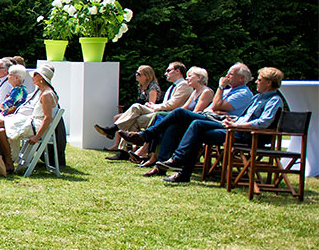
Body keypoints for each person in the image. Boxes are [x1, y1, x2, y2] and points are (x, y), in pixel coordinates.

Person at [147, 67, 286, 184]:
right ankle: (181, 170)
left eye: (260, 80)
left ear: (268, 83)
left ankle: (176, 161)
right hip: (234, 128)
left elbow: (263, 122)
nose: (256, 81)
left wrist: (238, 126)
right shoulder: (257, 98)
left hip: (247, 135)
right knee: (194, 126)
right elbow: (241, 116)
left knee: (189, 121)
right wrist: (233, 121)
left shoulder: (274, 100)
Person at [98, 62, 190, 159]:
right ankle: (123, 152)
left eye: (168, 70)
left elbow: (173, 104)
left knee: (136, 107)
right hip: (160, 112)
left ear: (178, 71)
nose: (165, 73)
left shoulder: (184, 85)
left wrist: (154, 106)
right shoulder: (172, 87)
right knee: (133, 119)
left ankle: (113, 130)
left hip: (166, 115)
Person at [0, 63, 59, 171]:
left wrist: (37, 137)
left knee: (0, 124)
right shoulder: (42, 92)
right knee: (0, 129)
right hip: (32, 122)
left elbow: (48, 118)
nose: (32, 78)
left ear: (41, 77)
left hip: (35, 126)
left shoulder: (46, 94)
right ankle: (3, 159)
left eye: (35, 75)